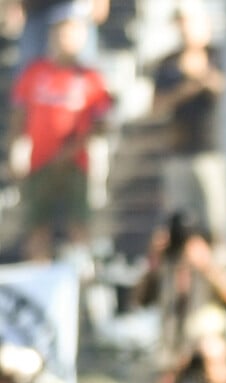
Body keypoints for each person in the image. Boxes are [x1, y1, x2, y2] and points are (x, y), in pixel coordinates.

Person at [6, 5, 112, 262]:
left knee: (80, 229)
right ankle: (38, 287)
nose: (67, 38)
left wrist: (71, 150)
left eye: (74, 31)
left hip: (77, 164)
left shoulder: (91, 77)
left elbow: (102, 123)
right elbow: (18, 117)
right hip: (39, 163)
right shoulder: (34, 72)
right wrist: (14, 152)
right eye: (62, 31)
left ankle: (87, 289)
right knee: (37, 231)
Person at [149, 0, 226, 242]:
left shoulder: (219, 56)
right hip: (178, 153)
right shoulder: (167, 64)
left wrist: (202, 75)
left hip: (212, 152)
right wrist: (187, 88)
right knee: (179, 228)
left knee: (215, 224)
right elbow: (156, 107)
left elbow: (225, 88)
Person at [133, 210, 226, 370]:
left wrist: (205, 263)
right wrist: (154, 259)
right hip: (171, 354)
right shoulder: (165, 264)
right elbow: (141, 299)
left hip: (209, 354)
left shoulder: (218, 259)